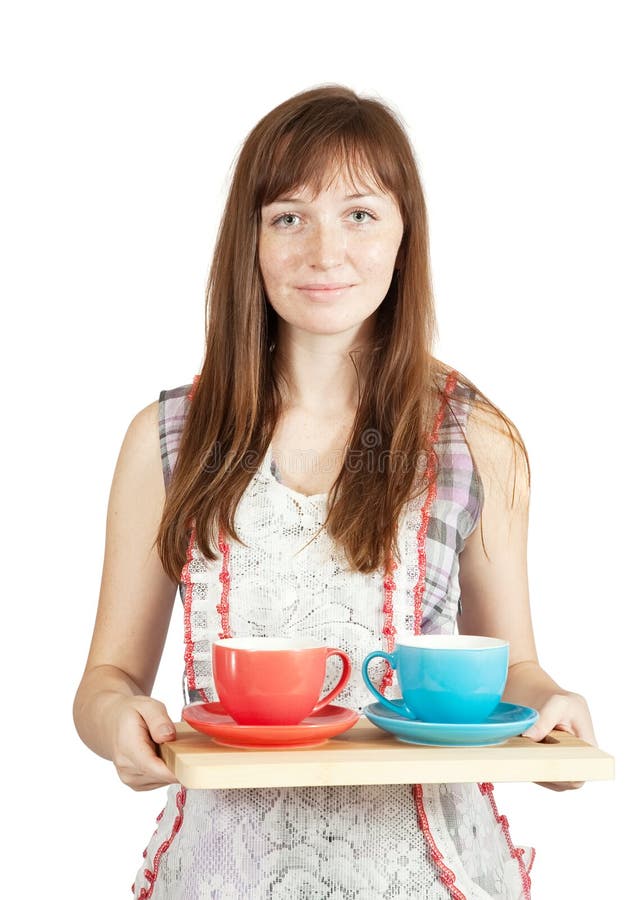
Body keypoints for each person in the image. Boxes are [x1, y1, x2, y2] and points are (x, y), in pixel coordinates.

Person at [73, 85, 596, 899]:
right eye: (289, 216)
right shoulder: (167, 438)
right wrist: (116, 721)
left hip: (431, 875)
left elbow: (511, 668)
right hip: (221, 877)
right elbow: (106, 676)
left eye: (359, 214)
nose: (325, 251)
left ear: (402, 235)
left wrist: (552, 708)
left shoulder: (475, 437)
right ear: (249, 240)